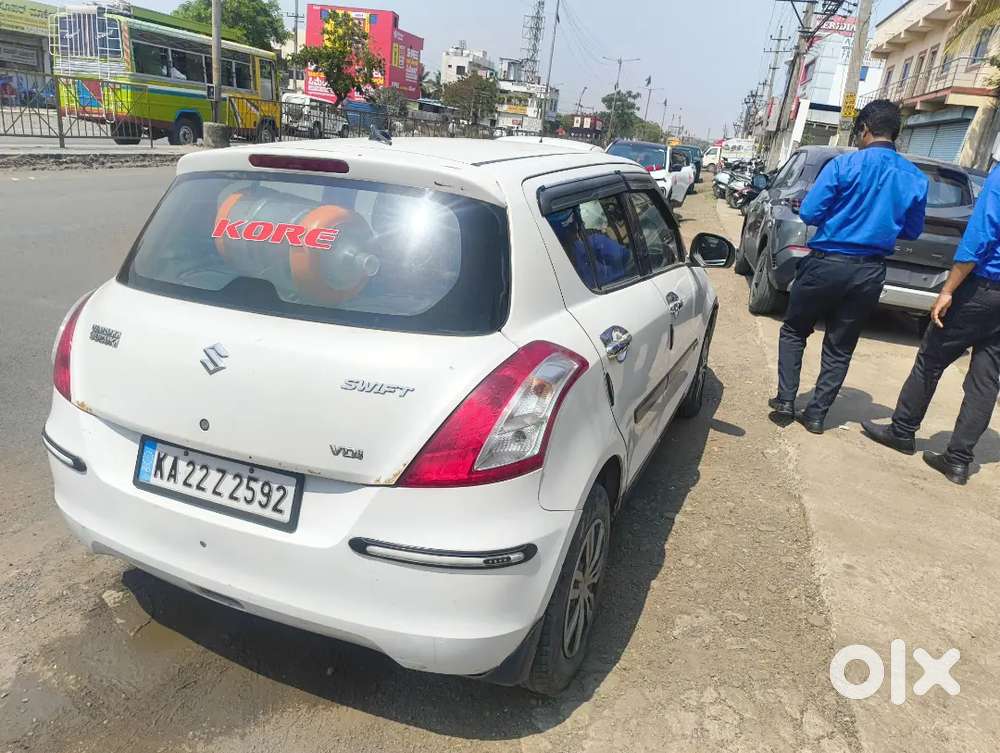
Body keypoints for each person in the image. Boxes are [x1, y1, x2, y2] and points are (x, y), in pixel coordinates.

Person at [769, 100, 928, 434]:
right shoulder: (914, 178)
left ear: (865, 129)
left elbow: (811, 213)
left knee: (795, 329)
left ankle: (785, 400)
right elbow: (912, 230)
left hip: (826, 263)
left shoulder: (843, 166)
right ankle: (815, 415)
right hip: (869, 271)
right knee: (841, 345)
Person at [862, 167, 1000, 485]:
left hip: (982, 288)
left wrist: (949, 289)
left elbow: (980, 238)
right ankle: (958, 462)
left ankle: (902, 431)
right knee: (986, 379)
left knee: (931, 358)